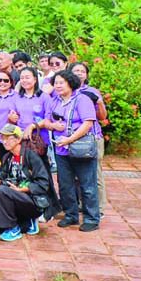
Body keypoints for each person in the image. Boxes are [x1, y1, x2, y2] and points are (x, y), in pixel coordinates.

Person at [37, 70, 100, 232]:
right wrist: (53, 126)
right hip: (61, 149)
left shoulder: (82, 99)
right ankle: (71, 215)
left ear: (70, 83)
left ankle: (91, 218)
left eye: (61, 82)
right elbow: (47, 121)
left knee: (87, 185)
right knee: (65, 185)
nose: (57, 86)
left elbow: (88, 124)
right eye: (55, 83)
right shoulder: (55, 101)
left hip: (81, 148)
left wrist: (69, 139)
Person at [0, 124, 53, 241]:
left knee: (2, 190)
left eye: (8, 138)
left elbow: (43, 183)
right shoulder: (7, 158)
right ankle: (27, 223)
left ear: (18, 139)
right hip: (14, 201)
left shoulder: (31, 156)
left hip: (32, 202)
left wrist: (22, 189)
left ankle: (13, 229)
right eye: (2, 138)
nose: (4, 142)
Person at [71, 61, 108, 213]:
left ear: (86, 75)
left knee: (95, 174)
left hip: (92, 137)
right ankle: (82, 204)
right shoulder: (65, 90)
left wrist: (98, 102)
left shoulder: (92, 91)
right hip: (72, 138)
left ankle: (98, 208)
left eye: (82, 71)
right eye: (76, 70)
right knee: (76, 175)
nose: (79, 73)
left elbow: (102, 116)